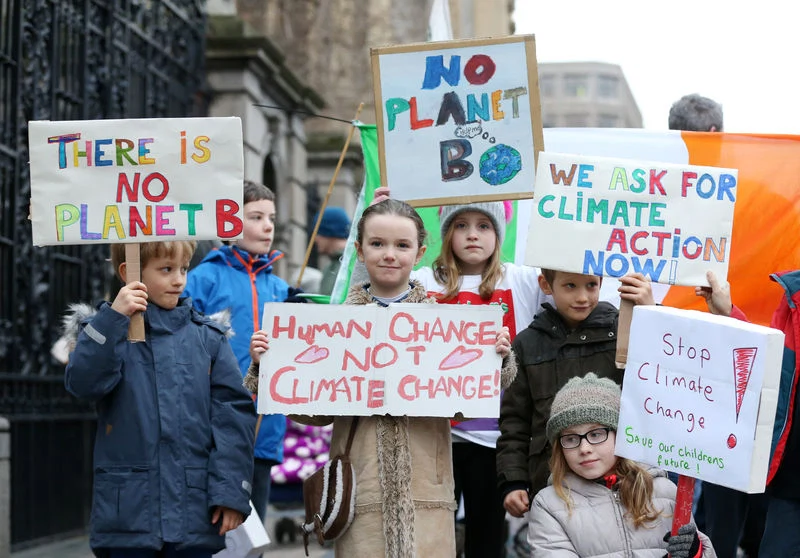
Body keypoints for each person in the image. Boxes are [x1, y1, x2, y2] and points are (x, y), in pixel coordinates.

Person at [249, 198, 516, 557]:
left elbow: (464, 408)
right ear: (359, 250)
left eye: (402, 245)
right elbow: (316, 413)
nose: (390, 254)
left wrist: (492, 363)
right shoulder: (333, 327)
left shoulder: (447, 326)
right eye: (377, 244)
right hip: (361, 491)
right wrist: (270, 367)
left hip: (428, 494)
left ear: (419, 252)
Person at [63, 240, 256, 557]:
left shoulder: (208, 338)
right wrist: (113, 319)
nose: (179, 279)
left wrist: (231, 493)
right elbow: (83, 384)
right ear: (130, 273)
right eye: (166, 269)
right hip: (129, 517)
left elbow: (232, 418)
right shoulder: (105, 330)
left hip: (194, 513)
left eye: (183, 268)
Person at [497, 267, 654, 519]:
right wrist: (513, 480)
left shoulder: (624, 333)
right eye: (570, 286)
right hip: (551, 482)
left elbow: (654, 386)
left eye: (591, 285)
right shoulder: (526, 344)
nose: (582, 297)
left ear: (602, 282)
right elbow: (515, 421)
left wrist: (649, 314)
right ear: (546, 285)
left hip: (618, 483)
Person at [183, 180, 291, 525]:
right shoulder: (202, 279)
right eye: (256, 216)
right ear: (228, 222)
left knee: (252, 535)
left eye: (271, 217)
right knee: (212, 531)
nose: (268, 225)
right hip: (216, 430)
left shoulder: (280, 287)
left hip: (265, 427)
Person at [528, 373, 716, 557]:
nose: (584, 448)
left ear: (621, 435)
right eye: (570, 438)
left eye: (596, 434)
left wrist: (696, 554)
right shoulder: (549, 505)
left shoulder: (665, 492)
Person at [313, 206, 351, 295]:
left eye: (318, 232)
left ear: (329, 231)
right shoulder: (330, 267)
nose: (315, 239)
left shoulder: (354, 264)